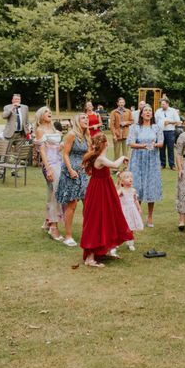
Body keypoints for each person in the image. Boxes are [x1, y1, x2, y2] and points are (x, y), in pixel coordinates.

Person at [80, 134, 134, 268]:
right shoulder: (100, 159)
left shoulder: (99, 158)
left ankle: (107, 248)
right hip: (99, 192)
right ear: (105, 144)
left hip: (105, 190)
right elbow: (115, 164)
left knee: (109, 217)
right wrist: (123, 156)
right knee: (96, 220)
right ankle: (90, 258)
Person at [55, 114, 91, 247]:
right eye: (83, 118)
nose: (86, 120)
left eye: (87, 118)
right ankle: (68, 236)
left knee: (87, 203)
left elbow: (86, 154)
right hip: (70, 172)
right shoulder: (71, 135)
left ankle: (87, 232)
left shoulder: (87, 136)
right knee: (72, 204)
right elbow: (65, 153)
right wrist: (70, 170)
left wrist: (88, 164)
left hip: (82, 173)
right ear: (77, 121)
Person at [127, 105, 164, 227]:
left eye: (150, 111)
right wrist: (142, 146)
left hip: (152, 160)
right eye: (145, 111)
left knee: (151, 185)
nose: (148, 112)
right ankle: (136, 214)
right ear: (141, 114)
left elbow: (161, 143)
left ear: (152, 114)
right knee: (137, 186)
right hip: (138, 159)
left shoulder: (156, 127)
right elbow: (131, 143)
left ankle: (150, 216)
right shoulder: (135, 127)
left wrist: (155, 144)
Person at [34, 107, 64, 241]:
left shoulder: (55, 130)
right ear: (40, 116)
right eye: (46, 112)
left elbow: (59, 147)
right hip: (50, 164)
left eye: (50, 111)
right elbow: (42, 151)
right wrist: (48, 169)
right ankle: (53, 226)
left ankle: (48, 221)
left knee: (53, 193)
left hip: (60, 162)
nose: (49, 113)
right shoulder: (40, 130)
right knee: (55, 194)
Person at [116, 170, 143, 251]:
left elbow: (135, 200)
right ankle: (116, 242)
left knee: (131, 227)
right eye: (127, 177)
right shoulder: (121, 190)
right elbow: (116, 195)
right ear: (122, 181)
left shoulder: (133, 190)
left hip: (132, 211)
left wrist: (139, 208)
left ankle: (130, 243)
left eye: (131, 177)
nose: (130, 179)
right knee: (122, 228)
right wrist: (118, 185)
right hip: (124, 211)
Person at [154, 98, 181, 170]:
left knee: (170, 148)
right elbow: (155, 122)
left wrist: (169, 122)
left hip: (170, 131)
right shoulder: (158, 111)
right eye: (161, 104)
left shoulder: (173, 111)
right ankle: (162, 164)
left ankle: (172, 165)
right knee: (161, 148)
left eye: (163, 104)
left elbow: (178, 121)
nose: (162, 105)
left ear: (167, 104)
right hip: (160, 132)